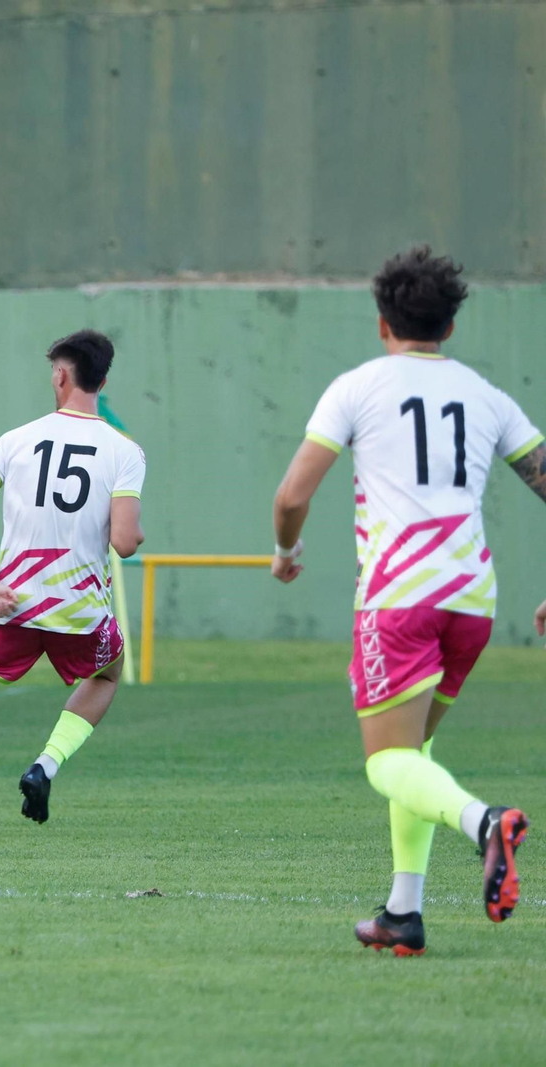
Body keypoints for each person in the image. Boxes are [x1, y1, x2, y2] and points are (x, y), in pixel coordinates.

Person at [272, 245, 537, 955]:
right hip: (472, 599)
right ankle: (402, 912)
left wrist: (287, 550)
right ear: (450, 325)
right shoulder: (488, 396)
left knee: (384, 761)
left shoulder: (358, 387)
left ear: (381, 320)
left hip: (399, 597)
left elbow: (293, 494)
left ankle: (487, 823)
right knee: (415, 749)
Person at [0, 330, 145, 838]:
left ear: (60, 376)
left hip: (12, 601)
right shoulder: (124, 450)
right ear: (102, 380)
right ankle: (45, 765)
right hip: (79, 608)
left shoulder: (17, 438)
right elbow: (126, 543)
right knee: (106, 676)